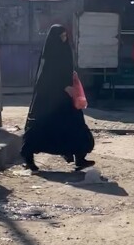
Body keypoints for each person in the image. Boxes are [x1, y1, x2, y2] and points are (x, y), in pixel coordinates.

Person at [20, 25, 95, 172]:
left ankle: (79, 158)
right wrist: (63, 86)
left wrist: (71, 79)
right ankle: (28, 157)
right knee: (40, 128)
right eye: (61, 36)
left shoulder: (65, 49)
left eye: (65, 36)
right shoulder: (49, 54)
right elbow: (47, 76)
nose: (64, 38)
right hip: (49, 98)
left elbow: (65, 69)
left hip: (66, 98)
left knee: (76, 125)